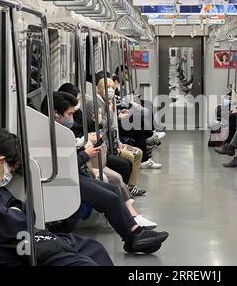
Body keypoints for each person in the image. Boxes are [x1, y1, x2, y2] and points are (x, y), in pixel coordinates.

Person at [43, 92, 169, 253]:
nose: (72, 118)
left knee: (114, 190)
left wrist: (82, 149)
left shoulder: (59, 131)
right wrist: (85, 154)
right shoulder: (49, 134)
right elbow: (60, 165)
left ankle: (136, 232)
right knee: (109, 199)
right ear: (56, 114)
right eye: (69, 114)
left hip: (73, 175)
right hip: (62, 179)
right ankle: (132, 238)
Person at [0, 129, 114, 266]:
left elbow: (26, 213)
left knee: (92, 247)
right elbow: (9, 225)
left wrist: (15, 211)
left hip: (21, 239)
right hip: (4, 249)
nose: (8, 176)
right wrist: (15, 213)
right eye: (11, 171)